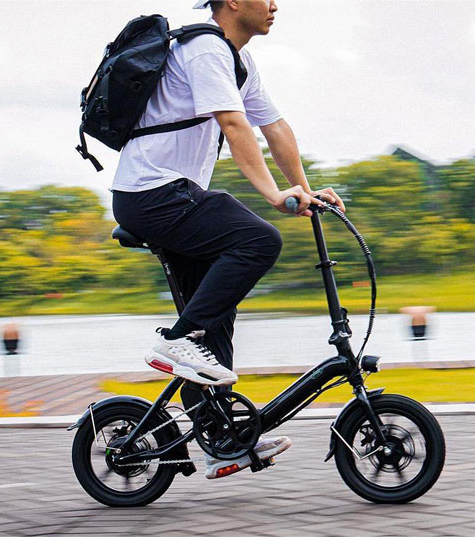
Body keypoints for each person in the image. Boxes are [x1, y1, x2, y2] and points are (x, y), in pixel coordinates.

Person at [111, 0, 345, 478]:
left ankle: (220, 439)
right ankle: (175, 342)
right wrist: (276, 197)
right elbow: (234, 125)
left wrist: (302, 187)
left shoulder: (238, 61)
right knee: (259, 240)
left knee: (213, 326)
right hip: (152, 194)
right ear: (233, 2)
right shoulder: (205, 49)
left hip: (171, 195)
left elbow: (274, 127)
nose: (276, 4)